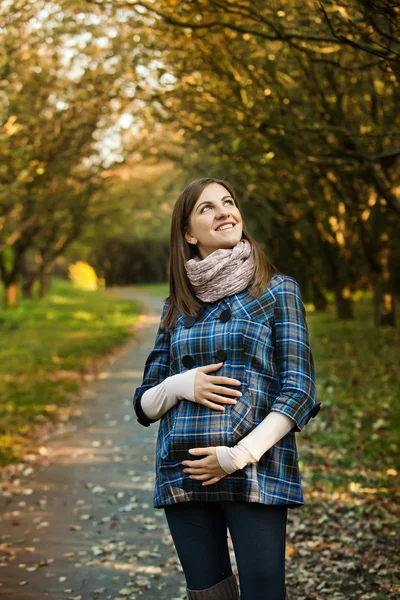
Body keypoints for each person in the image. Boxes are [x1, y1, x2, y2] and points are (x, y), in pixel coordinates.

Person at [132, 177, 321, 600]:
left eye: (229, 202)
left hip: (254, 468)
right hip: (184, 471)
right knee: (209, 594)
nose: (224, 212)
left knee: (263, 591)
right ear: (187, 232)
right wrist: (181, 384)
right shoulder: (176, 305)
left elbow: (300, 391)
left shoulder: (276, 290)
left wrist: (236, 456)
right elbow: (143, 405)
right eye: (206, 208)